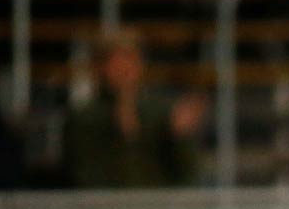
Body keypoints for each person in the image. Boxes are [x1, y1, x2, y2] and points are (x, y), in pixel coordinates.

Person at [64, 29, 207, 188]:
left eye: (130, 59)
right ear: (100, 68)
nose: (124, 69)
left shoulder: (160, 112)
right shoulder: (84, 117)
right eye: (116, 62)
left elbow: (187, 174)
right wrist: (120, 134)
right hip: (105, 208)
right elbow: (84, 177)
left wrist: (180, 137)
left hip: (158, 207)